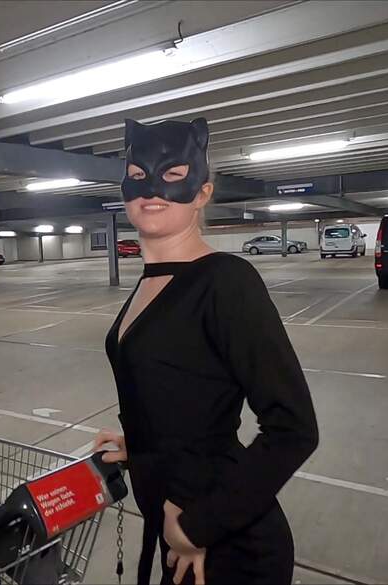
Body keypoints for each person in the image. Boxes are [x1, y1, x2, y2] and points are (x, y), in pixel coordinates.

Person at [94, 117, 319, 585]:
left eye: (174, 175)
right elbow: (188, 393)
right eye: (138, 175)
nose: (152, 189)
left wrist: (200, 527)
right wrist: (143, 447)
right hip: (177, 531)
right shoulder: (151, 282)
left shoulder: (226, 281)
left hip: (227, 544)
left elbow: (295, 429)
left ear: (202, 193)